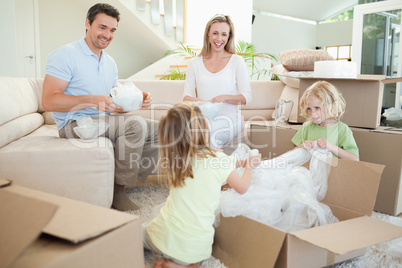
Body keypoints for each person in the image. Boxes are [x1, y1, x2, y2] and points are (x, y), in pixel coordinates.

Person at [42, 3, 159, 211]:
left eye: (112, 30)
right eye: (102, 27)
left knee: (160, 129)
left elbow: (114, 101)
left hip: (102, 120)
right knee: (135, 125)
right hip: (74, 123)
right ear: (88, 24)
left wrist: (136, 99)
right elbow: (48, 101)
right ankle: (118, 190)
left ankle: (128, 180)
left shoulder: (109, 62)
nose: (107, 34)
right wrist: (90, 100)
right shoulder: (66, 55)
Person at [143, 102, 261, 268]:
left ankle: (170, 262)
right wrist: (249, 167)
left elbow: (223, 165)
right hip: (196, 249)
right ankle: (182, 265)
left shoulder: (176, 161)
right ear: (206, 125)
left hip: (161, 236)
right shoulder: (218, 160)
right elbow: (242, 187)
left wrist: (239, 163)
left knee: (134, 232)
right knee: (194, 259)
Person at [182, 14, 252, 150]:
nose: (219, 39)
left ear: (229, 37)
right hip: (204, 118)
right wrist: (201, 103)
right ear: (208, 33)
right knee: (190, 131)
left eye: (224, 34)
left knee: (208, 133)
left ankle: (213, 168)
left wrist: (225, 97)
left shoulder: (236, 61)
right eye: (215, 33)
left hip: (230, 118)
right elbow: (185, 97)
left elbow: (246, 97)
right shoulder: (195, 64)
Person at [291, 81, 359, 161]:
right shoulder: (306, 127)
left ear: (331, 106)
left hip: (332, 172)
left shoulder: (342, 129)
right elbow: (293, 155)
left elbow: (355, 159)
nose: (312, 113)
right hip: (308, 171)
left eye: (317, 108)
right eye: (309, 108)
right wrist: (301, 148)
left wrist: (331, 147)